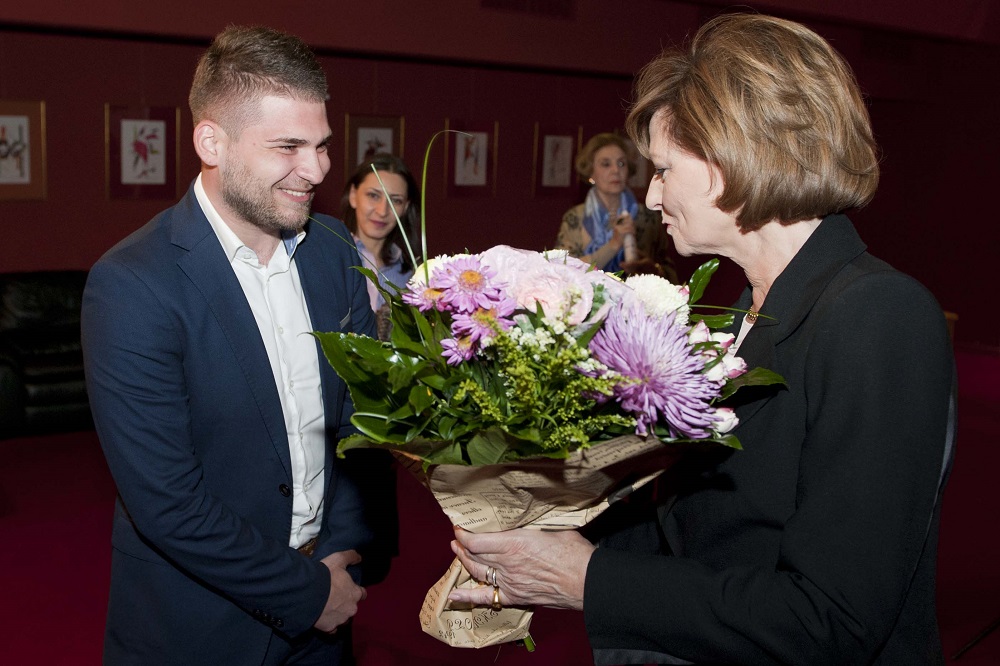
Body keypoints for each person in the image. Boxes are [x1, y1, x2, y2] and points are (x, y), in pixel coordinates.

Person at [448, 13, 955, 665]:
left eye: (662, 170)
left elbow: (833, 618)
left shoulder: (879, 316)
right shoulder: (744, 310)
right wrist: (529, 518)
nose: (652, 195)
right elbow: (699, 530)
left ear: (731, 155)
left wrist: (585, 579)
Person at [82, 25, 396, 665]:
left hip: (329, 605)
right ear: (211, 142)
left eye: (321, 146)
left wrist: (344, 549)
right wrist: (308, 592)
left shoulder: (334, 249)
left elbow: (361, 420)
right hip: (198, 625)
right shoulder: (132, 284)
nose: (316, 171)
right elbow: (168, 504)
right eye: (287, 147)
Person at [554, 132, 677, 281]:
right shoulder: (574, 218)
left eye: (621, 163)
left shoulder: (648, 217)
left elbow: (671, 275)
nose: (615, 171)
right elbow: (560, 271)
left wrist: (653, 269)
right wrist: (613, 245)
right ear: (590, 172)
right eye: (606, 164)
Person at [340, 153, 419, 316]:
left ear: (405, 207)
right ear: (353, 196)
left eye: (395, 201)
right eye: (373, 196)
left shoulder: (411, 274)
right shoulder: (331, 255)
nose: (383, 211)